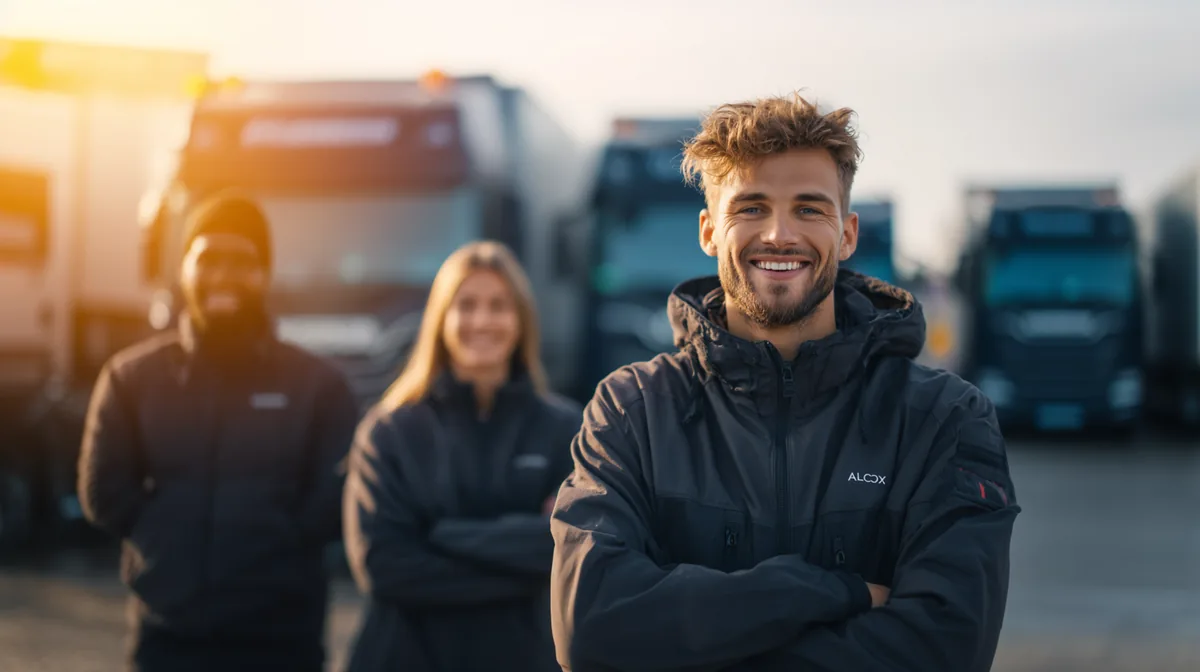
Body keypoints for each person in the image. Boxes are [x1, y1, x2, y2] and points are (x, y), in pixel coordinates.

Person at [550, 94, 1021, 672]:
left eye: (808, 208)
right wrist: (833, 590)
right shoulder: (632, 410)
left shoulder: (943, 418)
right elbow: (593, 632)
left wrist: (692, 639)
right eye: (750, 207)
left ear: (846, 234)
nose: (778, 234)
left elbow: (945, 647)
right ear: (708, 230)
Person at [77, 191, 358, 672]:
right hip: (168, 634)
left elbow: (335, 497)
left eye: (242, 261)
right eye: (207, 259)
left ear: (265, 273)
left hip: (281, 637)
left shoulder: (319, 386)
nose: (223, 276)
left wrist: (275, 546)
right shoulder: (132, 379)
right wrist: (169, 546)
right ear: (183, 268)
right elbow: (102, 491)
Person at [342, 240, 583, 672]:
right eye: (466, 305)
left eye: (498, 306)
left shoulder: (565, 430)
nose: (483, 321)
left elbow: (577, 551)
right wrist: (526, 557)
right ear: (441, 319)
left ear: (521, 320)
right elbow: (385, 567)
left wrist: (442, 535)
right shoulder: (389, 432)